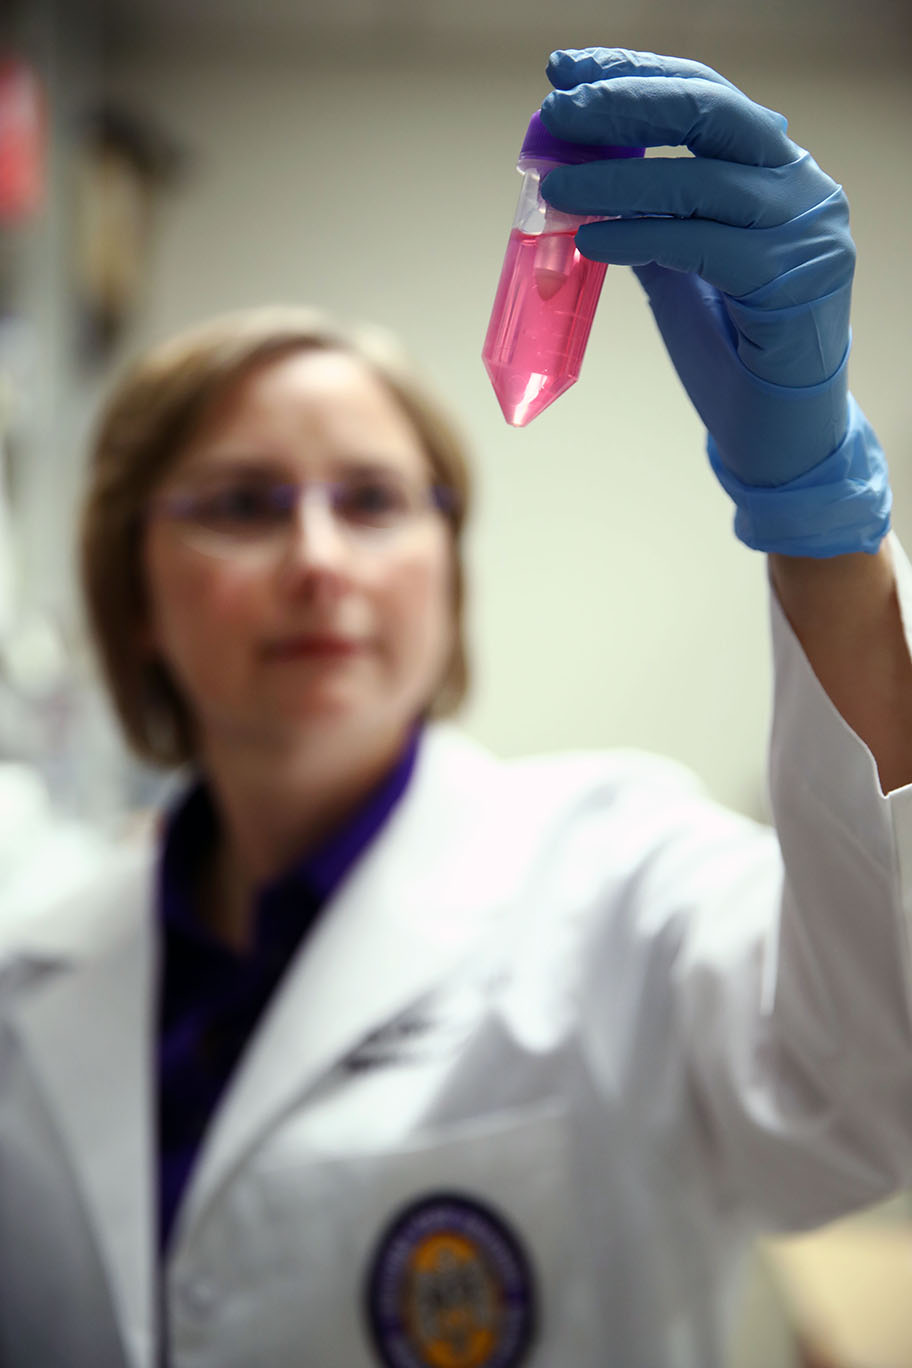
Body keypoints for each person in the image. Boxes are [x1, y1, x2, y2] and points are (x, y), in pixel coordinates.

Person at [1, 46, 911, 1368]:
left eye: (372, 501)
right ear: (130, 585)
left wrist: (823, 524)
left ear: (445, 574)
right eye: (245, 504)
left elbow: (876, 1093)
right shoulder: (36, 949)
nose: (318, 559)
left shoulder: (625, 876)